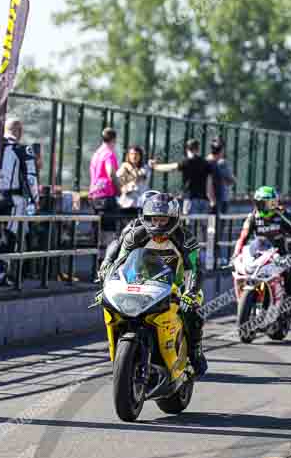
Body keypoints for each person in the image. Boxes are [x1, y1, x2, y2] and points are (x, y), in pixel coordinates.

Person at [99, 192, 208, 376]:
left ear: (173, 219)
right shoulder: (136, 234)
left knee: (193, 311)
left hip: (176, 285)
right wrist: (106, 276)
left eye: (163, 220)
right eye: (154, 219)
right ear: (146, 218)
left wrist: (190, 292)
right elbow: (119, 260)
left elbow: (196, 268)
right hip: (141, 283)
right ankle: (122, 353)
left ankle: (195, 351)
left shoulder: (185, 238)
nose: (158, 224)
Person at [233, 186, 291, 317]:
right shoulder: (253, 216)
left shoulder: (283, 215)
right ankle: (244, 300)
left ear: (274, 203)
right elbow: (243, 237)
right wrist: (236, 254)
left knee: (289, 270)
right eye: (259, 203)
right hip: (260, 253)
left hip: (281, 253)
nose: (262, 206)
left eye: (266, 203)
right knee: (243, 271)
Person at [0, 118, 40, 286]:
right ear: (19, 131)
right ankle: (1, 273)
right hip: (13, 200)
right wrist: (36, 200)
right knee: (9, 236)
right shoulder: (23, 150)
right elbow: (31, 178)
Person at [151, 138, 215, 215]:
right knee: (203, 225)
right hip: (204, 200)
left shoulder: (186, 162)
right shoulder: (206, 163)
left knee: (189, 224)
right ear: (198, 149)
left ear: (187, 149)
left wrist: (155, 166)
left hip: (190, 199)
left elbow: (171, 167)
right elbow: (209, 183)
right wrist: (212, 200)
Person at [89, 127, 121, 246]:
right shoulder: (108, 154)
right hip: (106, 196)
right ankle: (106, 260)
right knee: (108, 231)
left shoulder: (96, 154)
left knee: (97, 228)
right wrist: (119, 190)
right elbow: (111, 173)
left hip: (94, 195)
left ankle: (96, 259)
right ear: (114, 139)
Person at [116, 145, 151, 212]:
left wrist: (128, 167)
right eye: (131, 154)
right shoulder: (123, 168)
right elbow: (118, 180)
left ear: (140, 156)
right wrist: (123, 187)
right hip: (126, 203)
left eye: (136, 154)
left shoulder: (145, 168)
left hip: (140, 204)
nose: (134, 156)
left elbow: (139, 176)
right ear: (128, 155)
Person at [207, 137, 236, 214]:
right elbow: (231, 181)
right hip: (221, 198)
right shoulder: (222, 163)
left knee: (209, 223)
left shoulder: (206, 161)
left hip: (208, 198)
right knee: (218, 223)